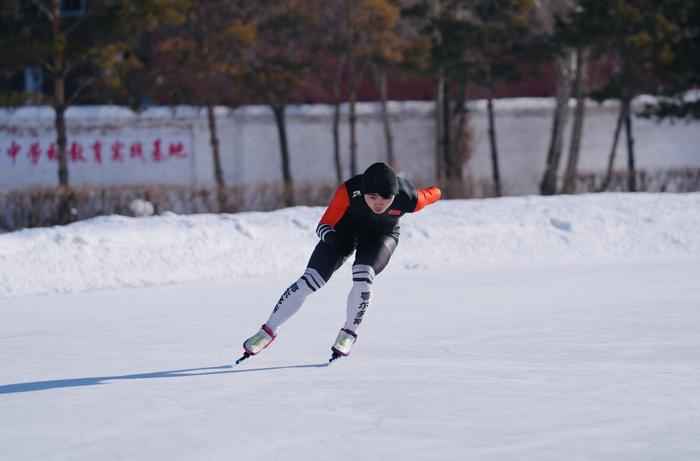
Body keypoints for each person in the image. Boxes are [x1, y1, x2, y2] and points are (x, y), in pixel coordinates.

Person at [237, 162, 441, 363]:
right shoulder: (349, 190)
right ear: (363, 193)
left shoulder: (409, 197)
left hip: (381, 237)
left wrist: (439, 189)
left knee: (363, 275)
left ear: (395, 195)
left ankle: (349, 334)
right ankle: (266, 331)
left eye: (386, 198)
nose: (379, 203)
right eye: (372, 197)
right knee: (310, 281)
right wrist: (334, 238)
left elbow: (435, 193)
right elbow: (322, 226)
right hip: (344, 233)